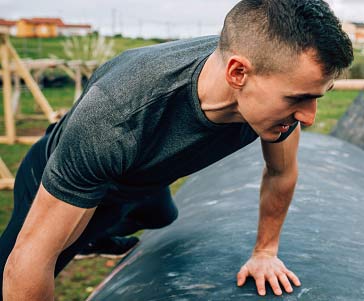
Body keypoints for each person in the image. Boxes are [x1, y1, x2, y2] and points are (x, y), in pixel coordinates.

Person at [0, 0, 353, 299]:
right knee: (28, 263)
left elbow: (281, 172)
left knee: (160, 217)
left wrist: (264, 252)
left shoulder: (270, 81)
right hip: (62, 173)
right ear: (238, 73)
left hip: (141, 179)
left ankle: (97, 233)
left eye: (317, 97)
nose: (308, 118)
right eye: (298, 98)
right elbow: (25, 268)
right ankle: (88, 234)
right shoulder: (117, 115)